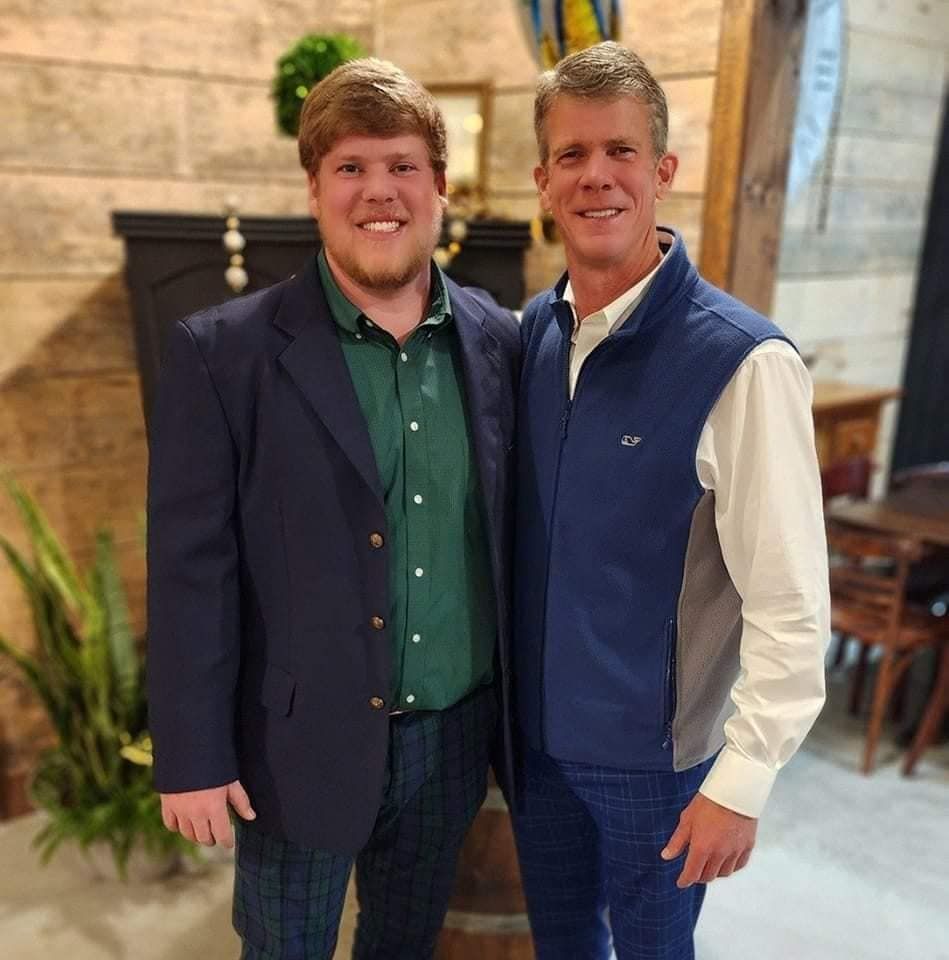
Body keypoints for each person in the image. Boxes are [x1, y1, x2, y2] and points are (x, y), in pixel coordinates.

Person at [146, 58, 519, 960]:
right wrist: (192, 757)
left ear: (438, 186)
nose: (377, 191)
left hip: (449, 739)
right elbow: (191, 572)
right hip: (294, 745)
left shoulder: (502, 342)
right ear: (313, 190)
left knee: (405, 943)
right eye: (350, 167)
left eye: (401, 165)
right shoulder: (220, 354)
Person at [512, 41, 829, 959]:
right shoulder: (534, 332)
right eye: (571, 155)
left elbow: (790, 600)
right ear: (541, 180)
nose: (595, 177)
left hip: (657, 769)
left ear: (663, 170)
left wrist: (745, 777)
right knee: (563, 948)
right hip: (537, 752)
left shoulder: (743, 363)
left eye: (619, 151)